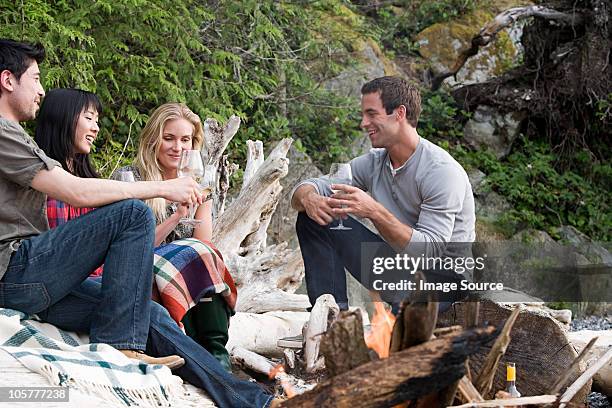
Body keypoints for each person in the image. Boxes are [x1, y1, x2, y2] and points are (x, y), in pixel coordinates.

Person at [0, 39, 275, 408]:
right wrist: (164, 187)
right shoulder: (1, 132)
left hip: (29, 281)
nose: (42, 89)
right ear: (7, 80)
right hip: (14, 271)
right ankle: (119, 349)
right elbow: (73, 192)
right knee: (133, 212)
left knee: (148, 313)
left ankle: (251, 400)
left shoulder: (15, 136)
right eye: (35, 78)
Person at [35, 92, 235, 371]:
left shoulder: (198, 184)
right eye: (169, 138)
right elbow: (125, 244)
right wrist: (176, 216)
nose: (177, 147)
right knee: (185, 262)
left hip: (181, 273)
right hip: (133, 267)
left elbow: (204, 248)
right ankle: (200, 355)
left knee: (199, 258)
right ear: (154, 139)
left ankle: (215, 351)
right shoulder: (132, 180)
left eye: (185, 140)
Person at [291, 76, 476, 311]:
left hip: (442, 280)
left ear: (399, 113)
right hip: (398, 267)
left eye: (371, 114)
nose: (363, 123)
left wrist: (374, 211)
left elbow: (429, 250)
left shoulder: (440, 171)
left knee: (396, 341)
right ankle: (330, 317)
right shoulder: (375, 162)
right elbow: (308, 187)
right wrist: (310, 198)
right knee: (313, 216)